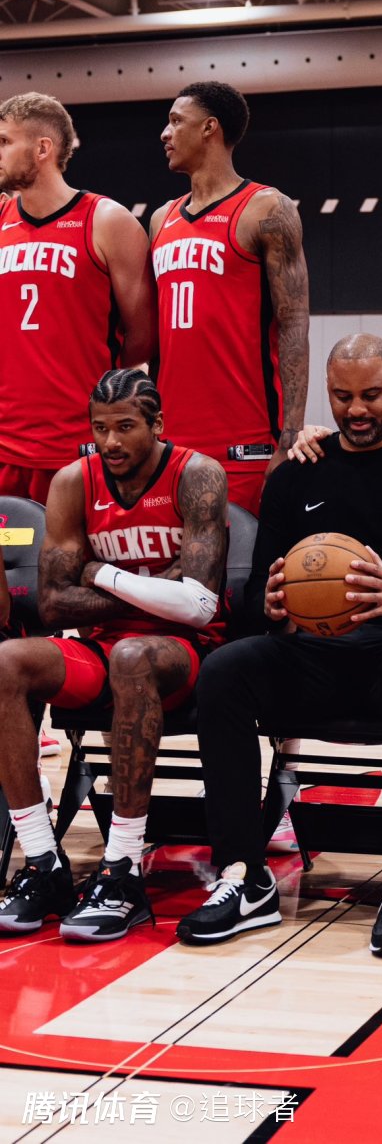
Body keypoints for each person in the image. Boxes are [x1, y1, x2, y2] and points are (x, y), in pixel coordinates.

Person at [176, 335, 382, 952]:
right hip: (316, 656)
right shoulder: (298, 473)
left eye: (371, 394)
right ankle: (244, 875)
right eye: (342, 396)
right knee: (225, 670)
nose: (356, 410)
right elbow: (258, 592)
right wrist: (269, 605)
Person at [0, 369, 228, 941]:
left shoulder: (197, 475)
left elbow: (198, 606)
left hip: (185, 653)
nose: (110, 442)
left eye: (125, 427)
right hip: (103, 650)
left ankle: (122, 870)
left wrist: (101, 573)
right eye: (100, 428)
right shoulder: (73, 483)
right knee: (6, 663)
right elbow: (53, 603)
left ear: (158, 424)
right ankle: (43, 863)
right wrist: (155, 585)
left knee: (132, 655)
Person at [150, 81, 310, 514]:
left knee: (240, 559)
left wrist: (289, 437)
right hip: (169, 444)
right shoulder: (161, 218)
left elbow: (294, 325)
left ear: (210, 128)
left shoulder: (266, 208)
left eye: (176, 121)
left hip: (245, 443)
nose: (165, 133)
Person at [0, 93, 155, 503]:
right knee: (12, 540)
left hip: (81, 446)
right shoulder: (1, 219)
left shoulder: (106, 220)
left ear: (43, 148)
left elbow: (142, 338)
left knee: (69, 545)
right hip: (6, 449)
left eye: (4, 141)